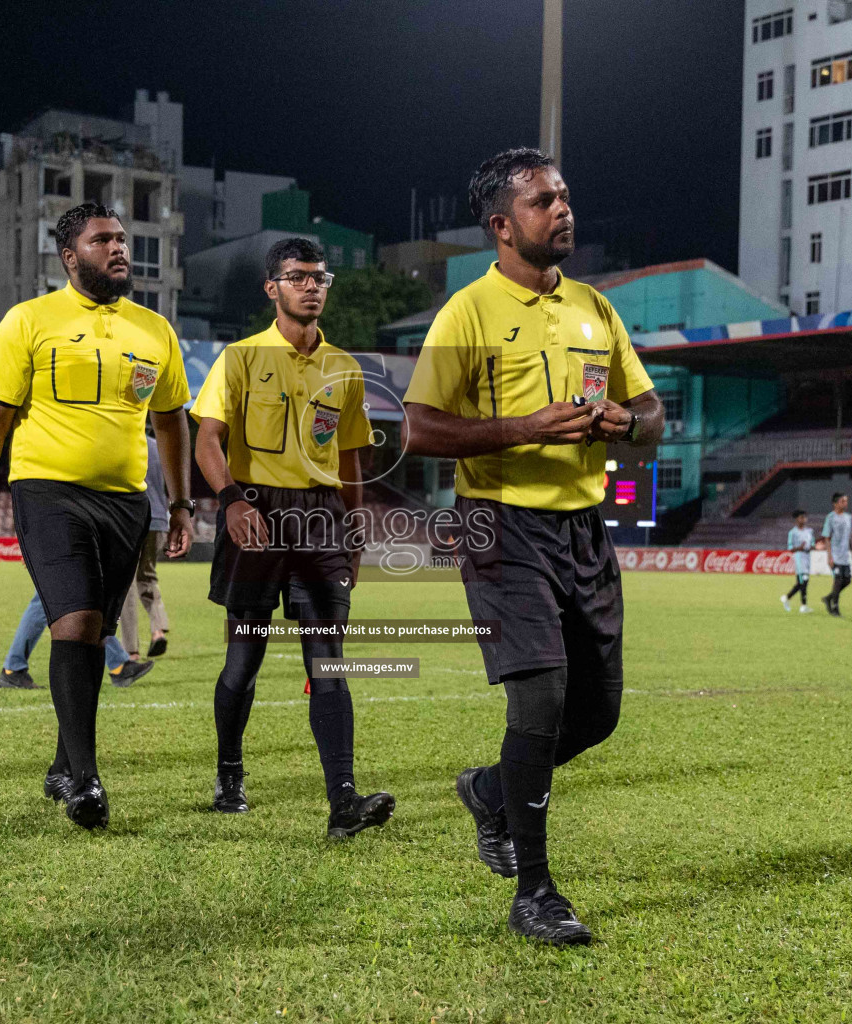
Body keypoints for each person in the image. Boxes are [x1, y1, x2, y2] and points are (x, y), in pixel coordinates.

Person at [402, 149, 663, 945]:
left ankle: (490, 789)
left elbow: (651, 418)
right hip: (503, 526)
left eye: (566, 196)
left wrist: (627, 425)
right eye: (544, 200)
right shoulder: (468, 312)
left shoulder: (595, 307)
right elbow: (416, 430)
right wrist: (522, 427)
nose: (563, 209)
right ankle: (536, 891)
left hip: (584, 528)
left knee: (599, 713)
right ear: (501, 225)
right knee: (542, 697)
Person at [0, 202, 194, 830]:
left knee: (90, 632)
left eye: (122, 239)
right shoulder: (29, 321)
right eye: (103, 240)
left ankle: (64, 762)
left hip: (126, 501)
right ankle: (85, 781)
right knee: (78, 620)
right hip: (47, 492)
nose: (119, 248)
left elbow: (171, 422)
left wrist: (184, 502)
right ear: (70, 256)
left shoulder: (155, 331)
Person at [191, 236, 394, 840]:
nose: (311, 286)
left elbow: (354, 460)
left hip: (322, 520)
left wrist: (355, 533)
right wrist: (229, 500)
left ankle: (343, 802)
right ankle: (230, 774)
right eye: (298, 276)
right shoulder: (240, 358)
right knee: (243, 661)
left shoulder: (346, 370)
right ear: (271, 287)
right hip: (254, 516)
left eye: (320, 277)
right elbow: (207, 439)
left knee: (327, 662)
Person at [0, 591, 153, 689]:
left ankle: (119, 664)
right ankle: (119, 665)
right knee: (76, 598)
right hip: (59, 547)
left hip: (58, 547)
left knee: (68, 598)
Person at [119, 433, 172, 660]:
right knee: (148, 576)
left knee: (126, 583)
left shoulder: (124, 441)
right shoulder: (159, 447)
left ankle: (131, 650)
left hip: (132, 519)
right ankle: (158, 629)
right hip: (159, 520)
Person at [820, 492, 852, 617]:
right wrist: (829, 557)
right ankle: (835, 608)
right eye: (843, 501)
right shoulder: (830, 518)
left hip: (845, 556)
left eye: (846, 501)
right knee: (838, 581)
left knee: (847, 580)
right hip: (835, 555)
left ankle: (829, 598)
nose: (845, 503)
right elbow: (827, 538)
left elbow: (850, 536)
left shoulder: (848, 517)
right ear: (835, 504)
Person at [781, 509, 814, 613]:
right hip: (799, 559)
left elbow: (812, 544)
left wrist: (811, 547)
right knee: (803, 582)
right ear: (797, 519)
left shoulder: (810, 531)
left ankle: (787, 598)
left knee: (802, 583)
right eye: (801, 517)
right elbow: (790, 548)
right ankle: (803, 606)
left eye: (805, 517)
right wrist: (799, 548)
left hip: (807, 559)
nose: (803, 519)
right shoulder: (792, 533)